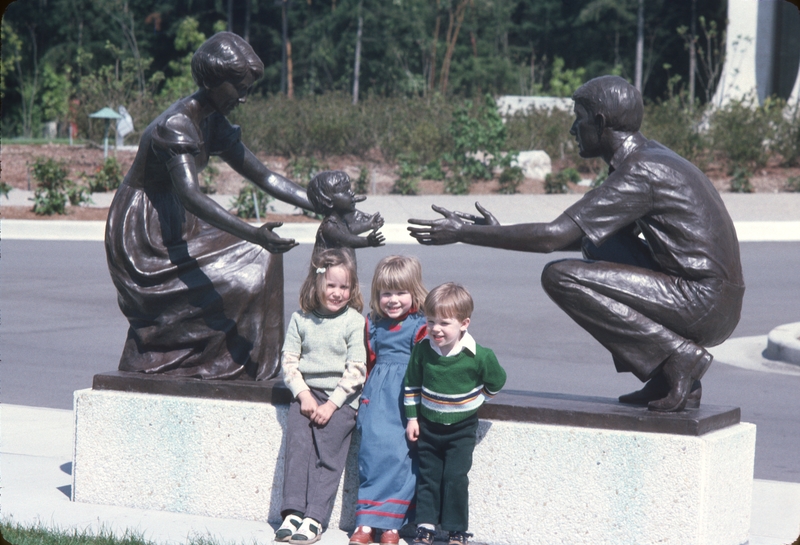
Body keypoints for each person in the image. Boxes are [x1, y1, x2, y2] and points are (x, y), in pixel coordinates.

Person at [407, 75, 744, 413]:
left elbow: (552, 237)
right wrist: (499, 231)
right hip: (712, 298)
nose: (572, 129)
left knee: (559, 276)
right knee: (597, 245)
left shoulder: (641, 171)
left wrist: (464, 233)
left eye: (579, 119)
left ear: (599, 123)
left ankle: (678, 358)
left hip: (702, 303)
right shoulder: (652, 158)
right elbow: (577, 234)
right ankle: (667, 376)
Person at [105, 32, 314, 380]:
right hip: (144, 232)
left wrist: (320, 204)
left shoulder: (212, 121)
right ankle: (219, 359)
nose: (244, 98)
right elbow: (191, 196)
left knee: (264, 257)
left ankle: (250, 365)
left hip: (179, 217)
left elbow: (264, 176)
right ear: (213, 82)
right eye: (239, 88)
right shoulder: (178, 124)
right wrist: (254, 234)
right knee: (253, 263)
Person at [275, 249, 368, 544]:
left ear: (352, 289)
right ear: (317, 284)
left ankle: (314, 517)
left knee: (328, 454)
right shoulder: (301, 319)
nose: (338, 293)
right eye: (331, 285)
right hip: (307, 393)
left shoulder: (354, 321)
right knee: (298, 446)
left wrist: (331, 404)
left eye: (344, 287)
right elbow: (289, 361)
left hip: (341, 398)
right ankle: (292, 513)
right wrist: (302, 395)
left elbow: (357, 370)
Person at [403, 283, 506, 545]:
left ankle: (456, 529)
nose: (435, 328)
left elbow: (497, 381)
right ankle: (425, 526)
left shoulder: (478, 355)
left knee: (455, 478)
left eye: (444, 323)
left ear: (464, 323)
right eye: (430, 321)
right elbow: (412, 386)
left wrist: (476, 401)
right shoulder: (423, 351)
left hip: (461, 429)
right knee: (428, 475)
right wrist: (413, 419)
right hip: (428, 426)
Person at [350, 256, 429, 545]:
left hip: (406, 401)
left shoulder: (420, 325)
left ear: (414, 292)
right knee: (370, 455)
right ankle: (366, 522)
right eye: (386, 293)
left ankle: (392, 526)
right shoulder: (373, 324)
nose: (393, 300)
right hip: (376, 399)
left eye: (400, 292)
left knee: (401, 458)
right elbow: (368, 362)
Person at [307, 170, 385, 262]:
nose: (352, 193)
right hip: (330, 274)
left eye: (350, 189)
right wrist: (367, 241)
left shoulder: (339, 222)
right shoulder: (329, 227)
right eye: (345, 191)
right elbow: (345, 240)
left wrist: (368, 225)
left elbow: (349, 231)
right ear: (329, 202)